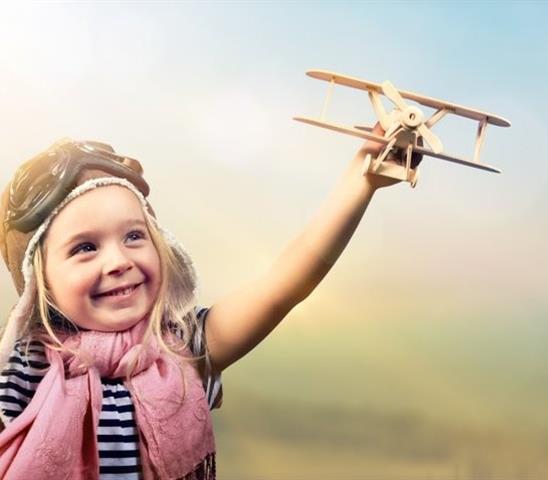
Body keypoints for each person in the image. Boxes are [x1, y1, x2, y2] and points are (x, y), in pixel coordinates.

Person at [0, 128, 418, 479]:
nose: (119, 261)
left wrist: (360, 182)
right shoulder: (23, 366)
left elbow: (282, 286)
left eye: (134, 236)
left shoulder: (185, 348)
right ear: (41, 282)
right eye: (86, 248)